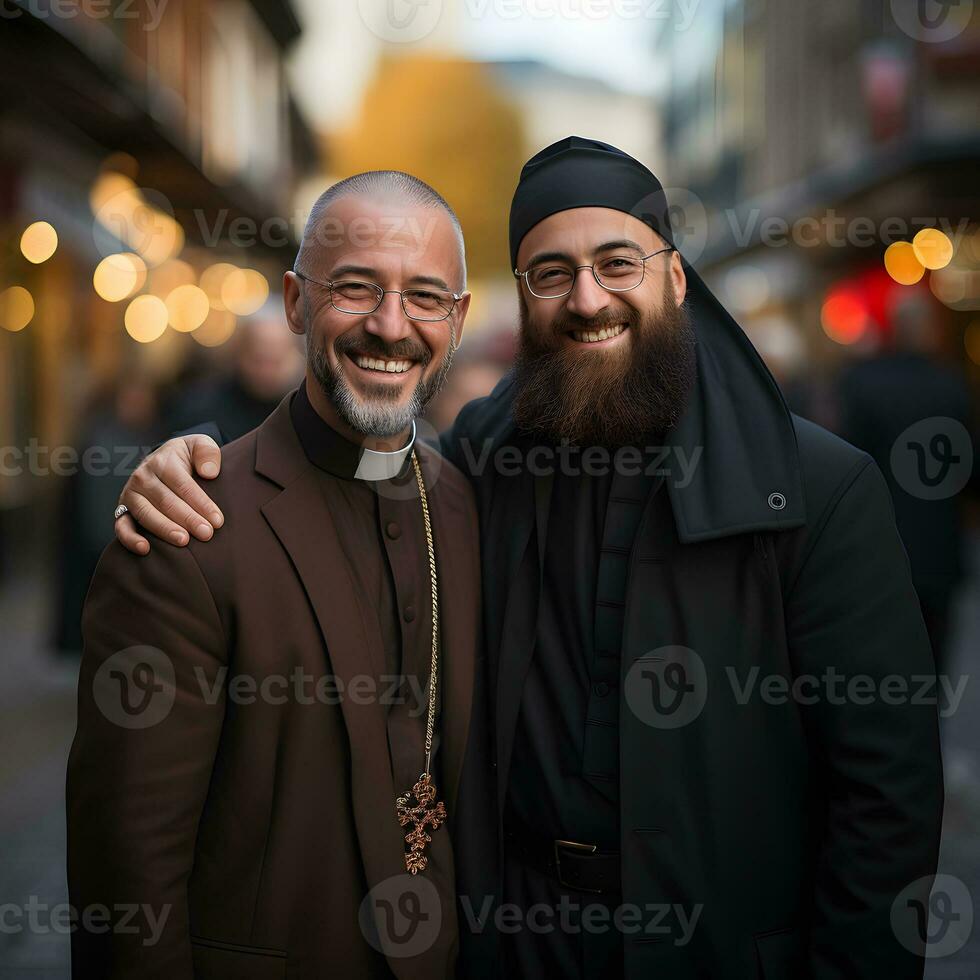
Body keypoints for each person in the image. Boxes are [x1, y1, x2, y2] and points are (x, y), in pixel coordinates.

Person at [111, 138, 944, 979]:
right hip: (515, 946)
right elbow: (342, 469)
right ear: (520, 303)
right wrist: (189, 459)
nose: (588, 299)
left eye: (618, 263)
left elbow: (887, 799)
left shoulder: (815, 492)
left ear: (677, 279)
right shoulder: (482, 462)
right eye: (551, 273)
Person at [67, 170, 495, 980]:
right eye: (357, 288)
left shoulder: (472, 509)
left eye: (427, 296)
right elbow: (128, 875)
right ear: (297, 302)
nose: (391, 325)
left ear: (460, 318)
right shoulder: (188, 527)